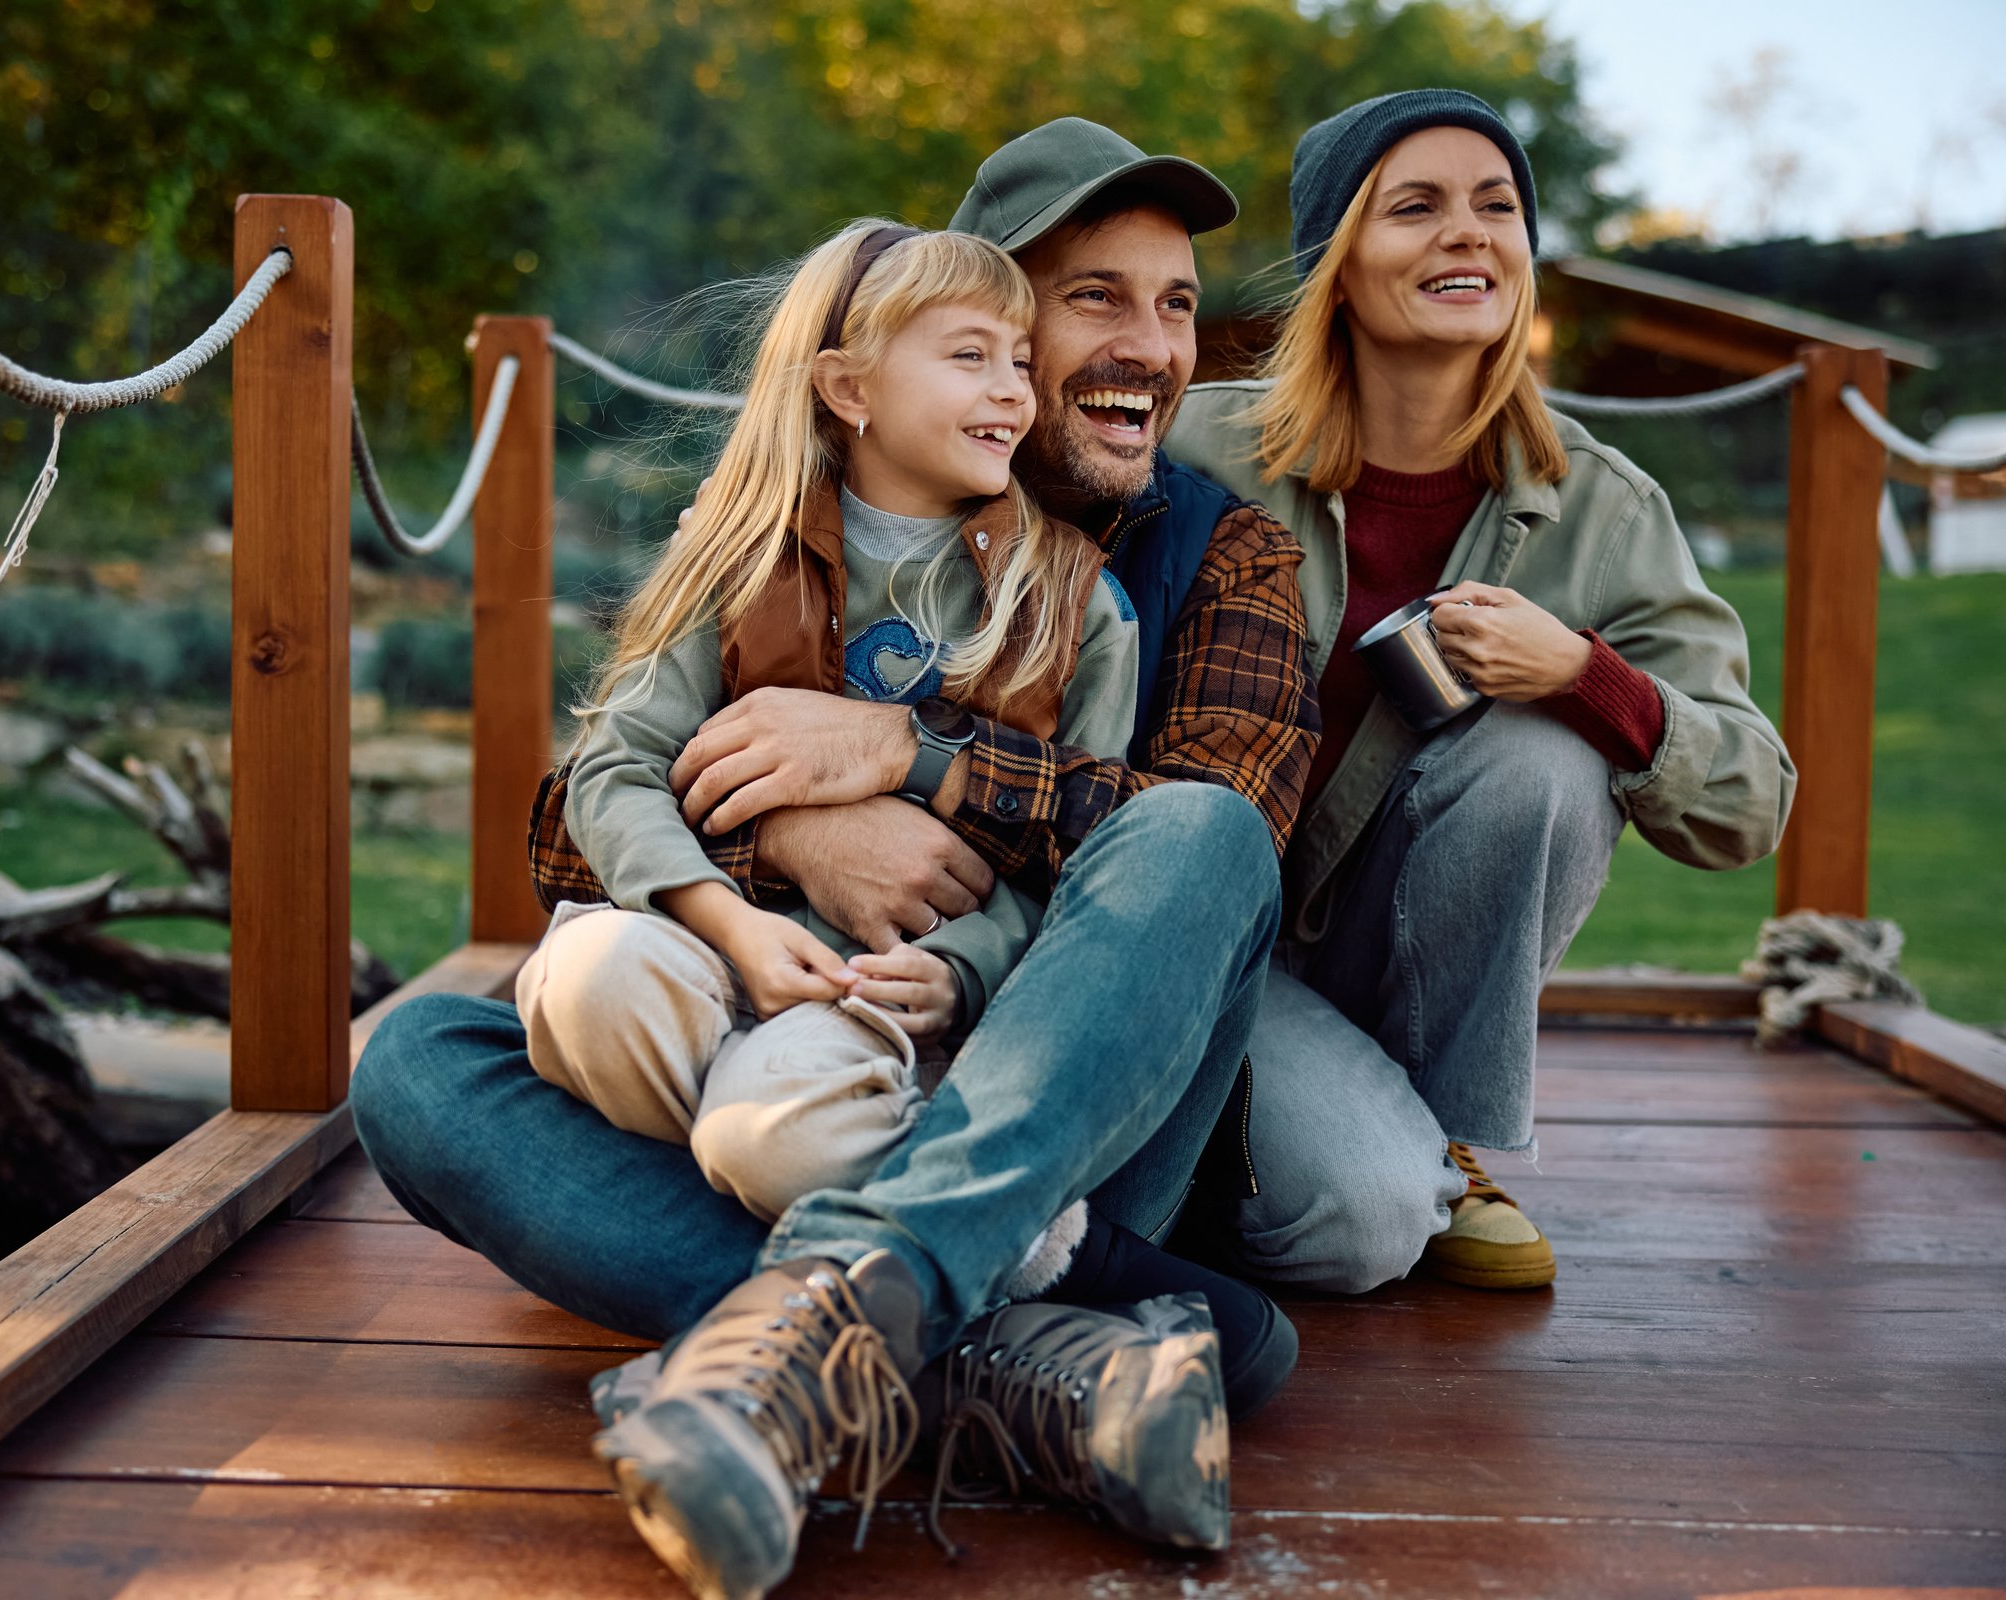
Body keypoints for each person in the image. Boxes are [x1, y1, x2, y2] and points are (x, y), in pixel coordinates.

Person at [354, 119, 1318, 1599]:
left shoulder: (1218, 558)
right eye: (1092, 300)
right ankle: (1005, 1366)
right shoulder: (772, 536)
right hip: (783, 1042)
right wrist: (791, 816)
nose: (1150, 345)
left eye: (1178, 304)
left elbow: (1187, 853)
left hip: (1036, 1098)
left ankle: (822, 1324)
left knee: (1196, 833)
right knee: (415, 1063)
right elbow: (568, 826)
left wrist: (906, 757)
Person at [1158, 89, 1795, 1292]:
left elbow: (1749, 804)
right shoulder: (1198, 450)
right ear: (1337, 267)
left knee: (1546, 761)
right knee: (1339, 1212)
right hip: (1194, 931)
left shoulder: (1606, 511)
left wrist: (1585, 676)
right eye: (1418, 208)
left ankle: (1429, 1147)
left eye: (1497, 207)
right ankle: (1236, 1150)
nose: (1470, 233)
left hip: (1374, 960)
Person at [519, 221, 1135, 1268]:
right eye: (969, 355)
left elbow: (1090, 846)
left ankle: (989, 1228)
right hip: (720, 951)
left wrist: (966, 970)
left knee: (771, 1132)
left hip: (874, 997)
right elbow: (616, 768)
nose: (1012, 391)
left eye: (1021, 361)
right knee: (585, 974)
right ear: (850, 390)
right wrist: (734, 928)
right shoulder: (736, 555)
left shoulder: (1073, 598)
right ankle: (846, 1230)